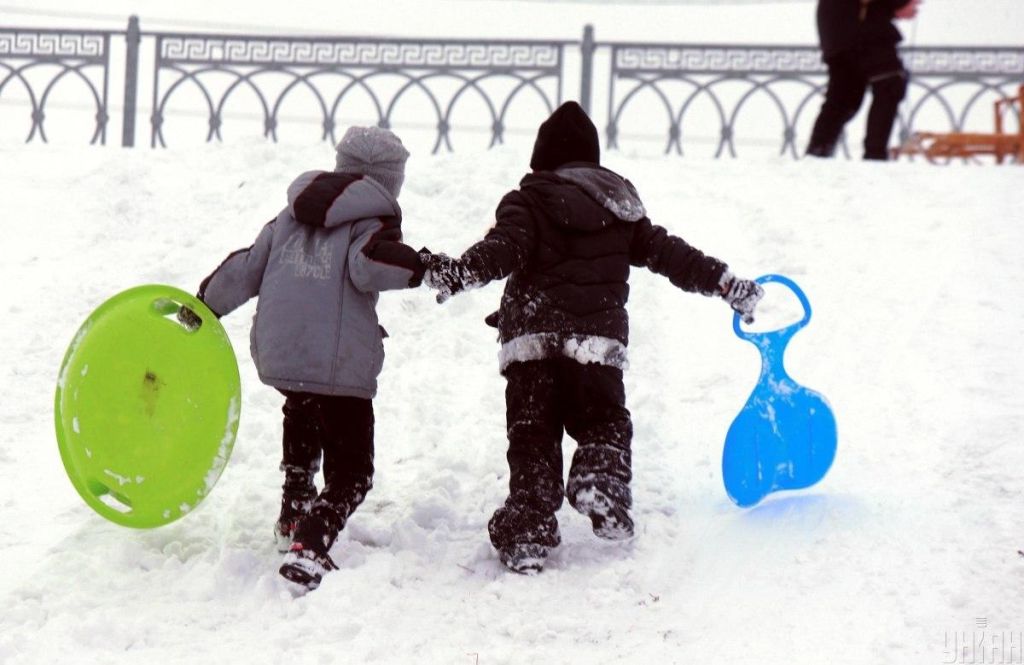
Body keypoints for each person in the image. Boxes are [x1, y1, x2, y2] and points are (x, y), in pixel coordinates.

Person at [422, 102, 764, 574]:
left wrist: (460, 272)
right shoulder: (621, 210)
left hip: (532, 346)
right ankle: (600, 477)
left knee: (533, 437)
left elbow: (503, 249)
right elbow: (671, 255)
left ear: (542, 160)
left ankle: (527, 531)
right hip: (596, 347)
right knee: (603, 421)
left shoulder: (527, 201)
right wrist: (725, 283)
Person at [190, 126, 426, 590]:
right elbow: (369, 266)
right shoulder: (373, 220)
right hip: (337, 362)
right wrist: (422, 266)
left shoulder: (290, 214)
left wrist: (204, 305)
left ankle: (294, 508)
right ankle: (311, 545)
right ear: (387, 180)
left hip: (282, 350)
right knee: (352, 471)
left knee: (301, 403)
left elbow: (248, 266)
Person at [806, 0, 921, 160]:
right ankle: (874, 157)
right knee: (888, 83)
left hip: (846, 26)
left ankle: (817, 154)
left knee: (844, 98)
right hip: (861, 28)